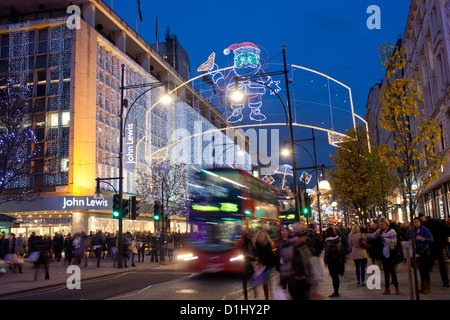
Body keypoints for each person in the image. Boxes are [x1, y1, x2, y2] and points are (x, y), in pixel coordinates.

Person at [367, 217, 400, 295]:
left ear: (386, 224)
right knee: (386, 271)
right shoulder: (379, 232)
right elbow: (373, 236)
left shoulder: (392, 231)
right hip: (383, 253)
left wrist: (387, 240)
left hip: (391, 253)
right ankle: (387, 288)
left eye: (382, 224)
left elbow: (394, 242)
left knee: (392, 271)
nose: (381, 226)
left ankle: (396, 288)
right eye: (380, 225)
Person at [419, 213, 449, 287]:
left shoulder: (427, 225)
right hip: (436, 246)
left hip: (434, 246)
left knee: (432, 264)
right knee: (438, 264)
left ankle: (426, 280)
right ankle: (445, 281)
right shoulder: (429, 224)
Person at [288, 224, 313, 300]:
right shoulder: (291, 248)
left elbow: (308, 265)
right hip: (295, 282)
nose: (305, 238)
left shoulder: (305, 247)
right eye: (303, 237)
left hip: (303, 282)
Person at [412, 217, 434, 294]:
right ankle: (422, 286)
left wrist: (423, 239)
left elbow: (431, 239)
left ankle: (428, 287)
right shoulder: (414, 231)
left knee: (425, 270)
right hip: (417, 251)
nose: (416, 224)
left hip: (424, 251)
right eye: (414, 222)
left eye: (417, 222)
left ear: (420, 222)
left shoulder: (424, 230)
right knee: (421, 270)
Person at [254, 230, 276, 300]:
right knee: (265, 281)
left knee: (266, 280)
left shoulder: (268, 244)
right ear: (258, 237)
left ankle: (270, 294)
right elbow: (257, 255)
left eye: (263, 235)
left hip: (268, 264)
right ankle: (267, 297)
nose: (262, 237)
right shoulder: (257, 244)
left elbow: (269, 255)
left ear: (265, 236)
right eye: (260, 236)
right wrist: (259, 263)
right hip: (262, 265)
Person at [324, 227, 342, 298]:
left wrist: (325, 260)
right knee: (336, 276)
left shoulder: (328, 241)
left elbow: (327, 252)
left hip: (331, 260)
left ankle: (336, 291)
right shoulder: (338, 240)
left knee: (333, 276)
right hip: (338, 259)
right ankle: (337, 290)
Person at [276, 226, 295, 294]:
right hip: (282, 268)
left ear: (288, 232)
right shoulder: (280, 242)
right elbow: (278, 254)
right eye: (282, 231)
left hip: (291, 268)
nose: (283, 232)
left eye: (284, 231)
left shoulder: (292, 241)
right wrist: (278, 266)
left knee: (292, 288)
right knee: (283, 288)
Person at [240, 229, 256, 300]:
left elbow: (245, 252)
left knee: (245, 280)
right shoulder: (249, 242)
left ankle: (246, 296)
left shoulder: (247, 242)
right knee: (250, 278)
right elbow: (247, 253)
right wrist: (253, 257)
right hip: (248, 263)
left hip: (247, 263)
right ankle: (252, 293)